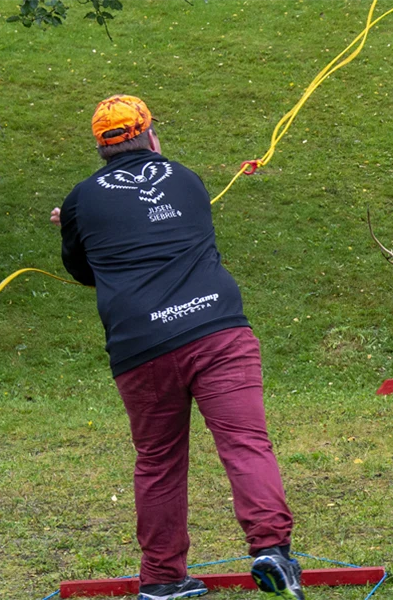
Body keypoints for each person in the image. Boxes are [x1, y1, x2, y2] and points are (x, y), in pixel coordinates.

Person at [52, 95, 305, 600]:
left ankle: (163, 578)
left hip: (141, 344)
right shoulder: (188, 179)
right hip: (217, 329)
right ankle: (272, 551)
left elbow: (82, 270)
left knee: (158, 460)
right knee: (245, 442)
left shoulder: (81, 199)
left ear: (101, 147)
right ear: (151, 135)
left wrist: (74, 226)